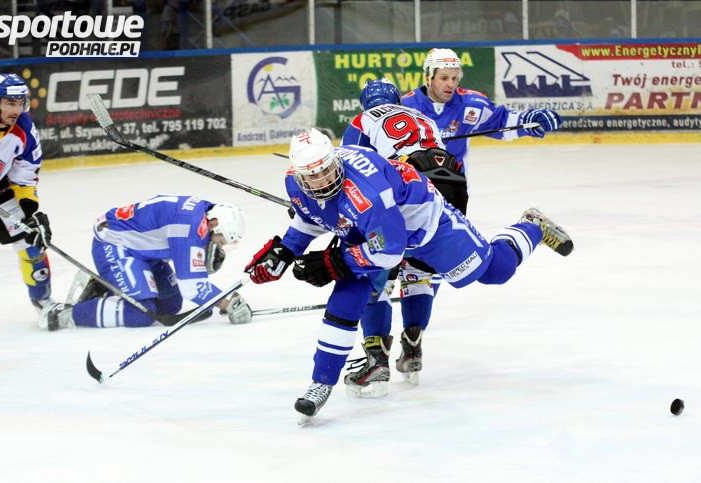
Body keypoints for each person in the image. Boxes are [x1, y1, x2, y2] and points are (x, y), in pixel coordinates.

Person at [244, 128, 573, 421]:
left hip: (426, 228)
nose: (322, 180)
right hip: (372, 229)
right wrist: (285, 249)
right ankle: (321, 383)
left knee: (494, 271)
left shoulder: (368, 193)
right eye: (312, 176)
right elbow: (313, 216)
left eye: (326, 170)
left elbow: (390, 250)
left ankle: (531, 226)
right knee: (347, 295)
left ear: (335, 161)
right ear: (298, 173)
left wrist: (334, 261)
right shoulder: (295, 182)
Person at [348, 48, 565, 392]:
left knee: (410, 271)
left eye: (454, 78)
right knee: (404, 269)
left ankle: (406, 343)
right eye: (443, 78)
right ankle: (393, 350)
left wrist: (531, 121)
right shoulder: (408, 106)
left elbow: (503, 122)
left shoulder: (470, 104)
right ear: (428, 77)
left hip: (440, 200)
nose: (449, 84)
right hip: (420, 197)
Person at [341, 78, 468, 397]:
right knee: (418, 274)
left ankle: (376, 360)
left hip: (400, 198)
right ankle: (412, 348)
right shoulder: (424, 119)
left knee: (375, 274)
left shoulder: (362, 120)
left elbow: (349, 172)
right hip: (441, 196)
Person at [37, 195, 252, 330]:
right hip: (115, 245)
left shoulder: (203, 214)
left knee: (170, 304)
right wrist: (228, 303)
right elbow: (192, 287)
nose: (218, 247)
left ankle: (107, 288)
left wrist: (220, 300)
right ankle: (66, 314)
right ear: (213, 224)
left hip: (143, 250)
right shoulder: (188, 228)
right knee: (141, 313)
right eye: (220, 241)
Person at [0, 72, 54, 310]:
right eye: (11, 103)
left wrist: (30, 213)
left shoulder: (24, 129)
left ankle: (44, 302)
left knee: (30, 241)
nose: (17, 110)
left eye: (21, 103)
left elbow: (25, 176)